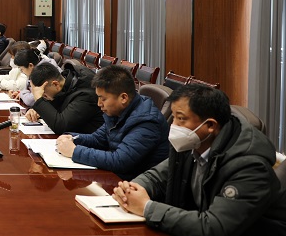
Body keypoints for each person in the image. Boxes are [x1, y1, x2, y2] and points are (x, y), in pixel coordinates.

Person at [113, 84, 286, 235]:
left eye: (181, 119)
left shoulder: (249, 166)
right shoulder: (194, 141)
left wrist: (147, 207)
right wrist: (131, 190)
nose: (174, 126)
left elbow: (215, 227)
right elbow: (158, 175)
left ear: (210, 125)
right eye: (173, 117)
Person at [54, 65, 170, 180]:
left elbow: (120, 161)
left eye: (103, 99)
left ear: (123, 98)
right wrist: (72, 137)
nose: (99, 104)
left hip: (134, 184)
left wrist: (74, 151)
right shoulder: (117, 111)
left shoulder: (147, 122)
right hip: (117, 178)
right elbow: (98, 139)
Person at [25, 62, 104, 134]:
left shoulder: (85, 94)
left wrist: (39, 101)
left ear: (55, 84)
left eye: (44, 95)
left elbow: (61, 126)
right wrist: (36, 110)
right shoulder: (65, 83)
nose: (44, 98)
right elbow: (55, 105)